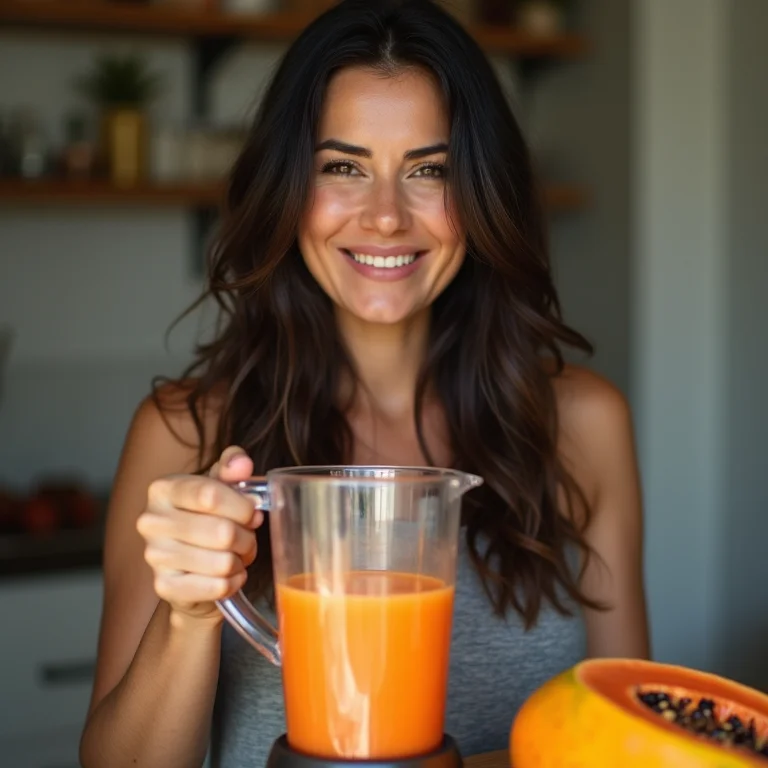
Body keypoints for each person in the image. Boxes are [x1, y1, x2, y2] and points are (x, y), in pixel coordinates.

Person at [79, 0, 649, 765]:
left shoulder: (581, 425)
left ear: (483, 194)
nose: (385, 216)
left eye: (430, 171)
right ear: (287, 189)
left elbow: (631, 735)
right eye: (342, 167)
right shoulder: (186, 435)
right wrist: (187, 616)